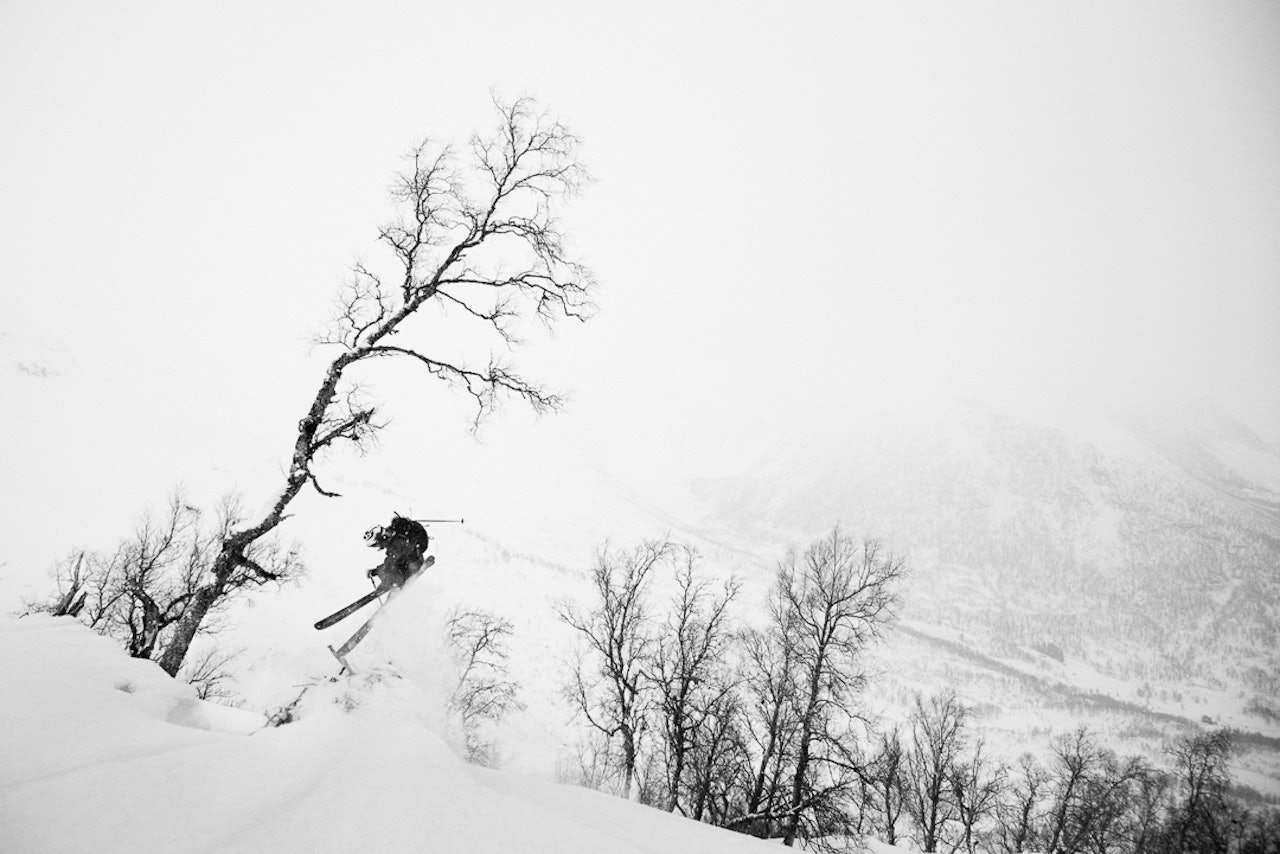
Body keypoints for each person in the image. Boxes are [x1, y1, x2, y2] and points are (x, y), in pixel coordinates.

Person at [363, 515, 431, 592]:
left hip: (415, 562)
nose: (378, 547)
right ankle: (391, 582)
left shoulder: (396, 544)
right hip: (413, 554)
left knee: (392, 571)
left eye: (376, 544)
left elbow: (390, 562)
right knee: (391, 569)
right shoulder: (395, 533)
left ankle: (395, 585)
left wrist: (375, 571)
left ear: (381, 539)